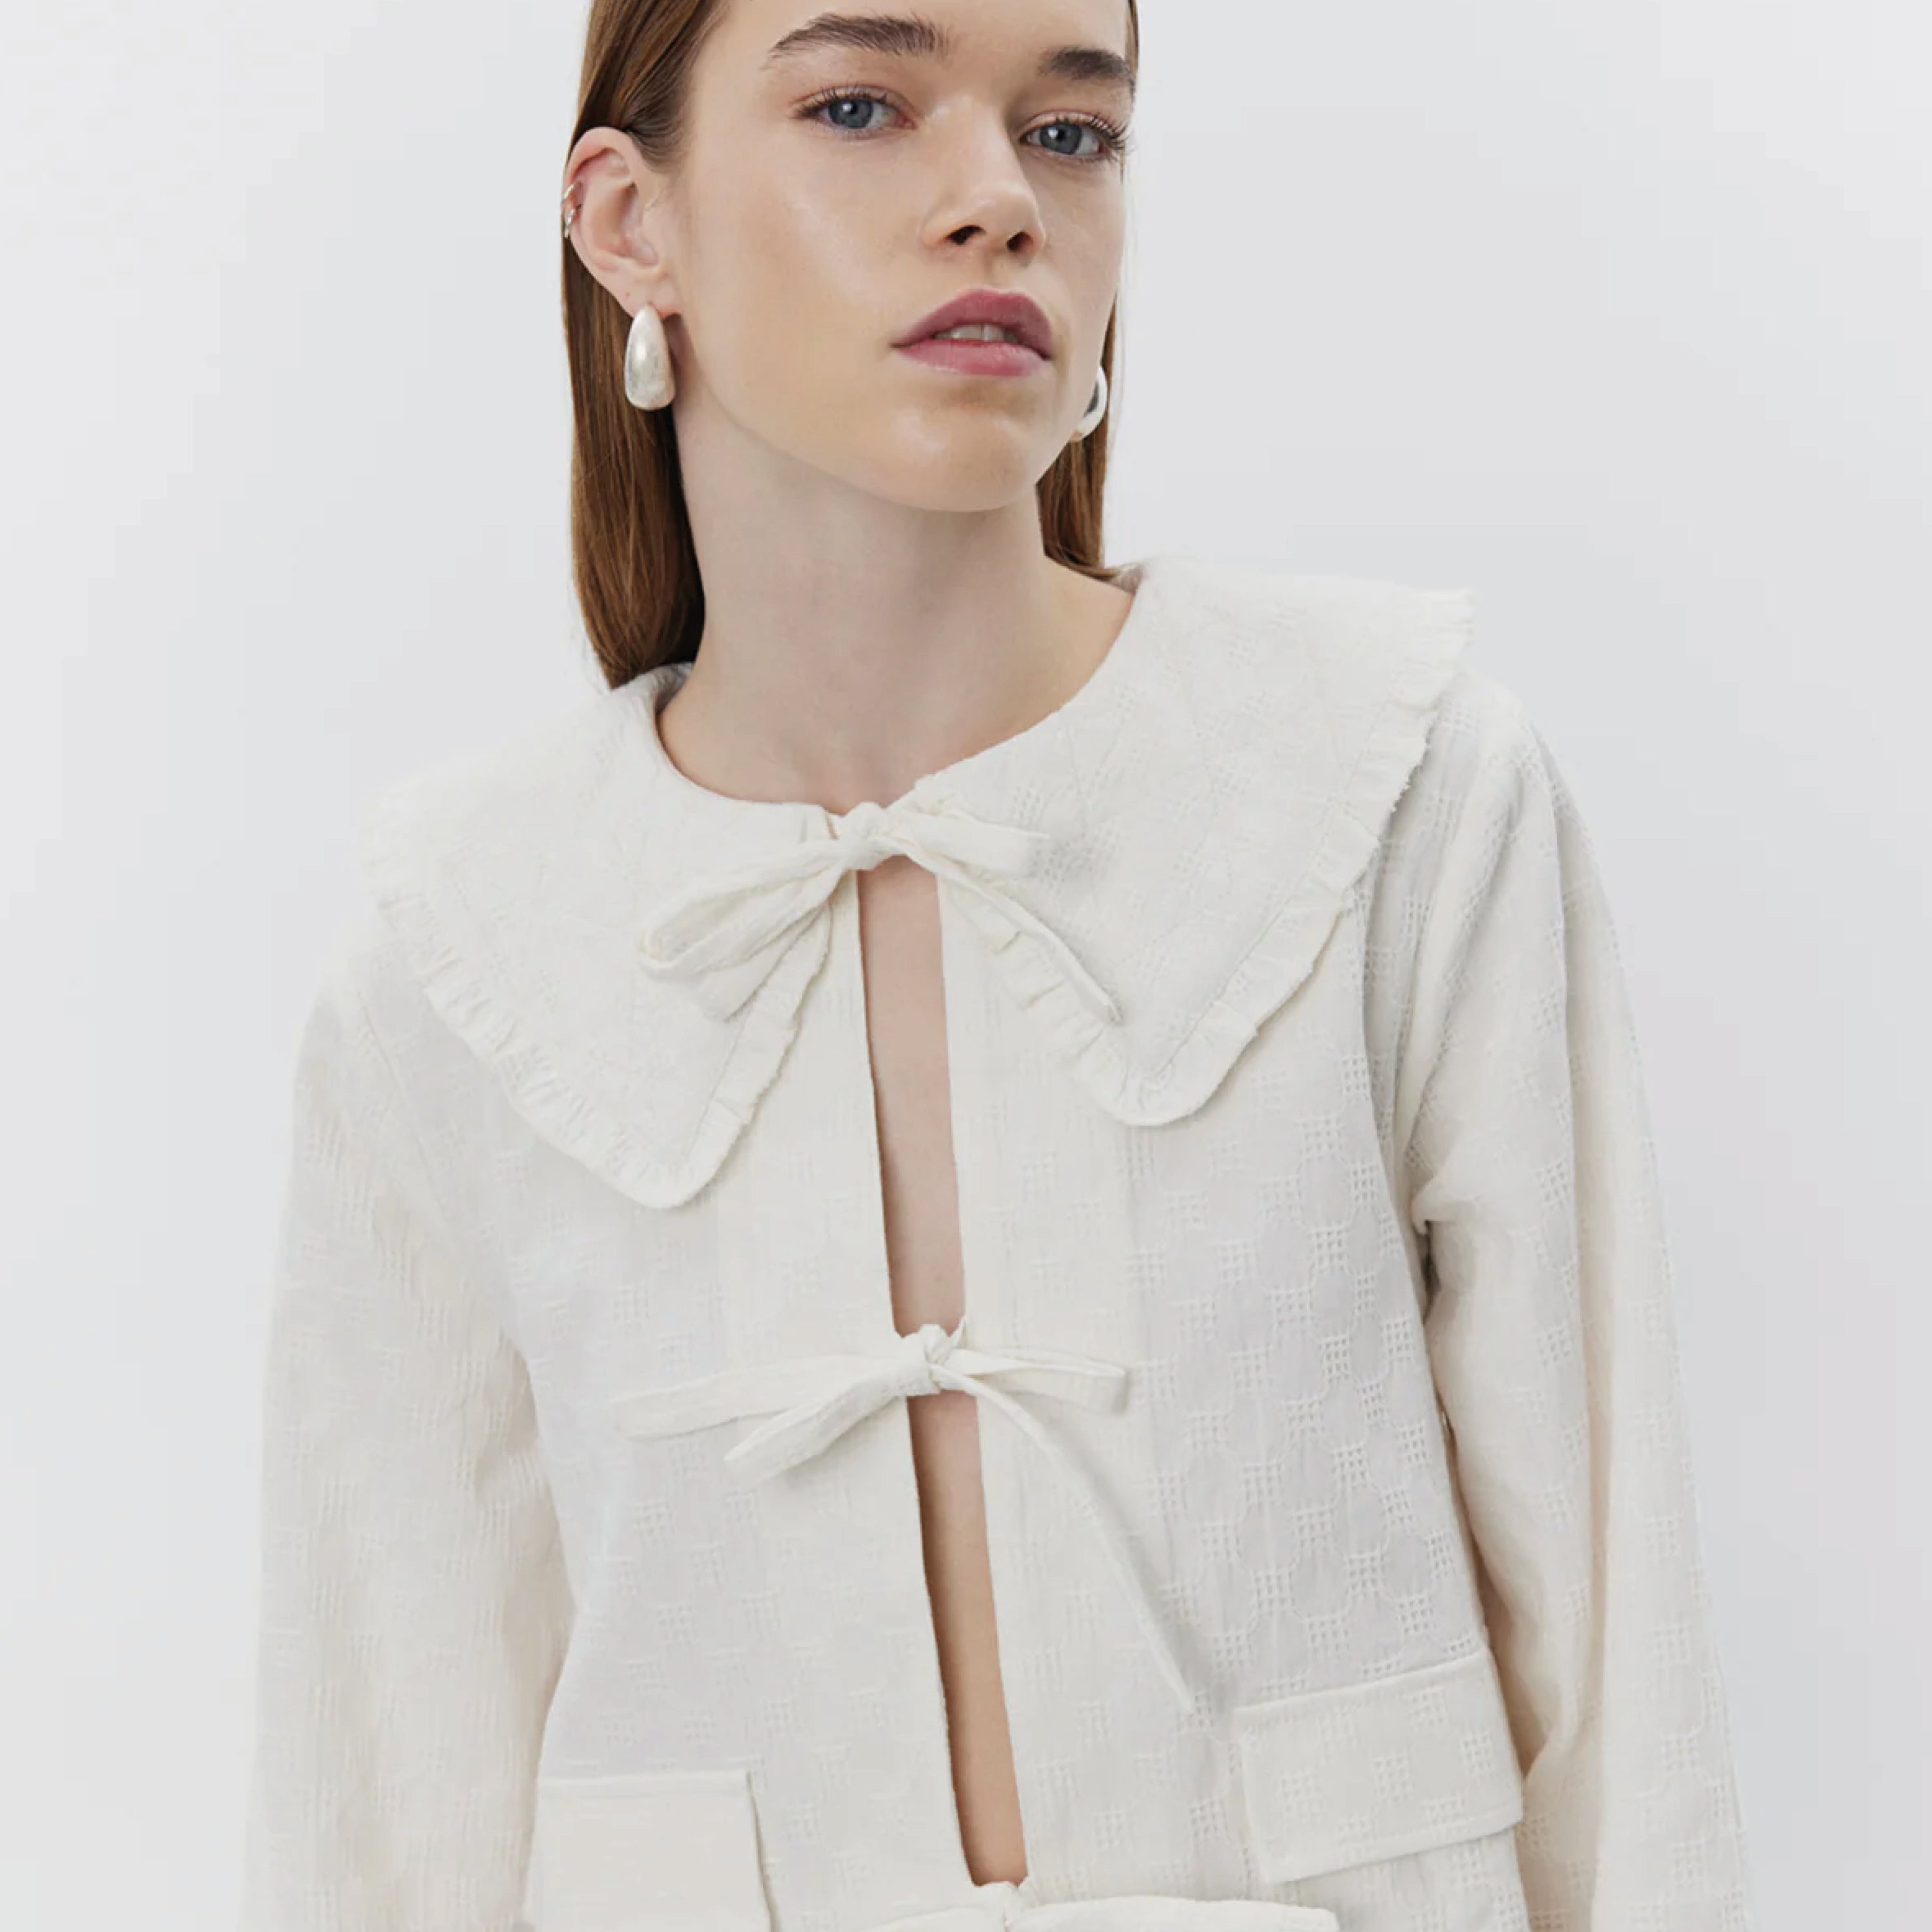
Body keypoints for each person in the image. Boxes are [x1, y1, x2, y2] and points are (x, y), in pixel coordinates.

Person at [238, 3, 1757, 1929]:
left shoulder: (1386, 789)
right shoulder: (459, 956)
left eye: (1070, 131)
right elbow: (389, 1788)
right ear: (630, 223)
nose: (998, 201)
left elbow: (1618, 1660)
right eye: (860, 105)